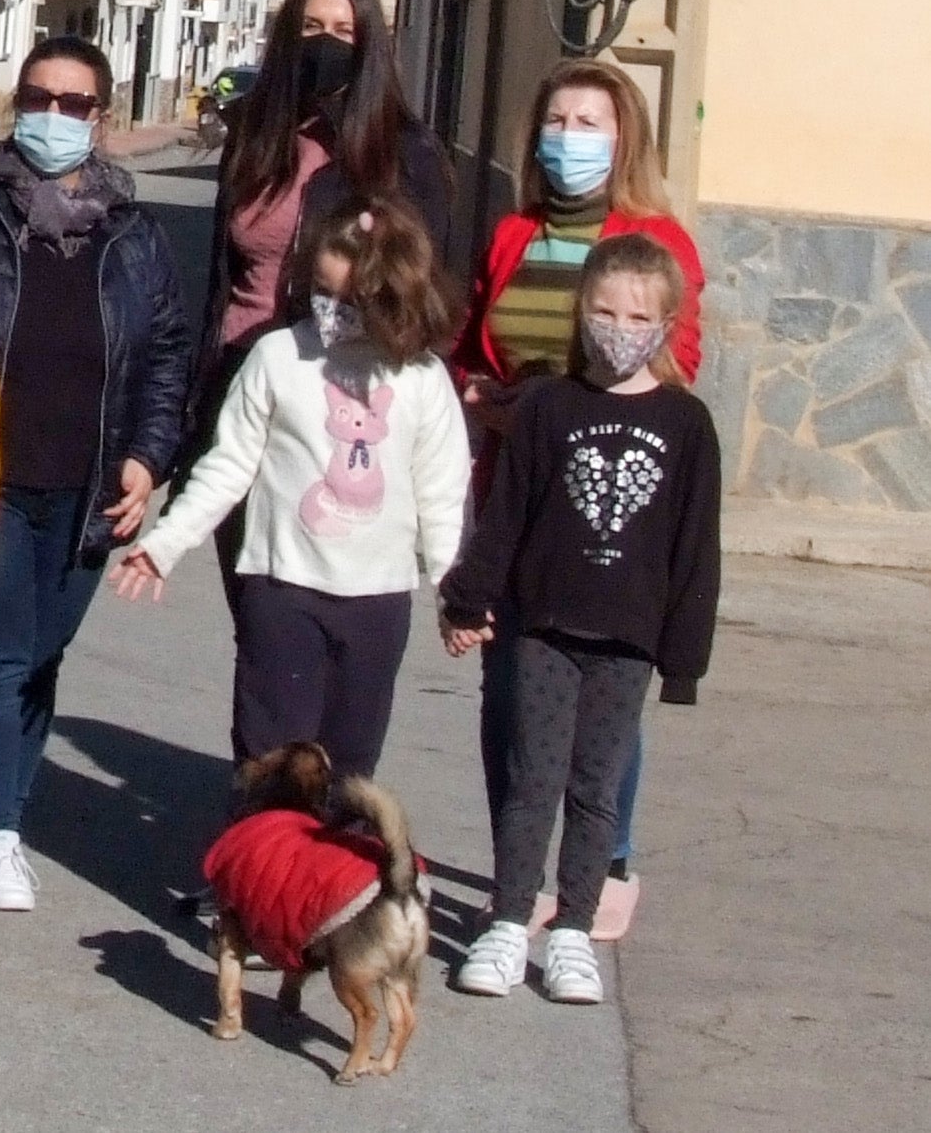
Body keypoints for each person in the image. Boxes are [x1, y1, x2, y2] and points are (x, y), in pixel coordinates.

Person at [0, 37, 193, 912]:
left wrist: (149, 456)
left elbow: (168, 353)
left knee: (41, 657)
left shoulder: (134, 236)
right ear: (16, 101)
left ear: (100, 118)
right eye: (40, 97)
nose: (55, 117)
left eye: (75, 104)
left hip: (90, 487)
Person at [455, 58, 707, 936]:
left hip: (607, 505)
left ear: (625, 137)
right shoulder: (514, 233)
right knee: (509, 688)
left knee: (604, 695)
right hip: (509, 493)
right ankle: (513, 878)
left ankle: (607, 863)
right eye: (556, 123)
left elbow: (680, 366)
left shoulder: (657, 243)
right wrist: (479, 396)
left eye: (589, 124)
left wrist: (571, 405)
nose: (569, 140)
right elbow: (473, 344)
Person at [440, 234, 720, 1006]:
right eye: (604, 309)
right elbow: (506, 515)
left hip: (627, 638)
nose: (619, 325)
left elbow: (697, 546)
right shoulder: (548, 408)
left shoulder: (687, 425)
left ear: (667, 324)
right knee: (532, 777)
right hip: (542, 627)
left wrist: (684, 658)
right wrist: (470, 598)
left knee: (597, 787)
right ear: (580, 312)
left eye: (638, 314)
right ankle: (506, 921)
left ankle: (573, 931)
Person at [113, 199, 470, 781]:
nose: (332, 314)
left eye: (350, 302)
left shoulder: (422, 379)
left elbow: (443, 495)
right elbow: (227, 462)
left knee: (352, 763)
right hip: (281, 592)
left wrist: (456, 596)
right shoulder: (278, 355)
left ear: (392, 297)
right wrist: (167, 542)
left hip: (377, 603)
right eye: (321, 294)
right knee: (270, 754)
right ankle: (257, 869)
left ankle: (337, 870)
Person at [193, 0, 452, 607]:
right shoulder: (256, 137)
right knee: (255, 612)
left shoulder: (407, 154)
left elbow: (424, 292)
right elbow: (221, 277)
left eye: (344, 30)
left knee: (312, 612)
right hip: (241, 385)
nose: (325, 43)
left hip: (337, 405)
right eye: (310, 28)